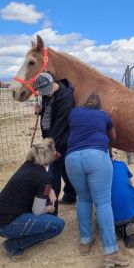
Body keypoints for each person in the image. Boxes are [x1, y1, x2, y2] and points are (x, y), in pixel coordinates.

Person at [65, 94, 130, 267]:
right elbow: (113, 138)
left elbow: (72, 128)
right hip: (96, 157)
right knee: (102, 203)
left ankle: (85, 241)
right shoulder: (103, 115)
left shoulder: (74, 113)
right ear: (99, 105)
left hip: (72, 158)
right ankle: (111, 252)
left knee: (83, 198)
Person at [0, 139, 65, 261]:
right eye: (54, 150)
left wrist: (49, 188)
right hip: (6, 225)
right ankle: (12, 246)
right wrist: (50, 208)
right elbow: (37, 211)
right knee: (58, 225)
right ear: (48, 156)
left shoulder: (28, 165)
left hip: (4, 215)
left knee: (47, 202)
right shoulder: (43, 177)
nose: (56, 152)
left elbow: (35, 183)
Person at [35, 72, 77, 215]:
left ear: (53, 82)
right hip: (51, 138)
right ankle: (71, 195)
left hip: (58, 142)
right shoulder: (47, 93)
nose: (46, 95)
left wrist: (50, 149)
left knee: (52, 177)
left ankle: (51, 214)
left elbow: (60, 126)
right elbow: (50, 112)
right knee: (65, 170)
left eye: (47, 92)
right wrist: (40, 111)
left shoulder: (65, 98)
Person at [111, 157, 134, 249]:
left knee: (102, 208)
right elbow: (129, 184)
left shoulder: (98, 169)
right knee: (128, 196)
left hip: (111, 218)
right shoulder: (121, 164)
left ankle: (114, 231)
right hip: (131, 216)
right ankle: (128, 227)